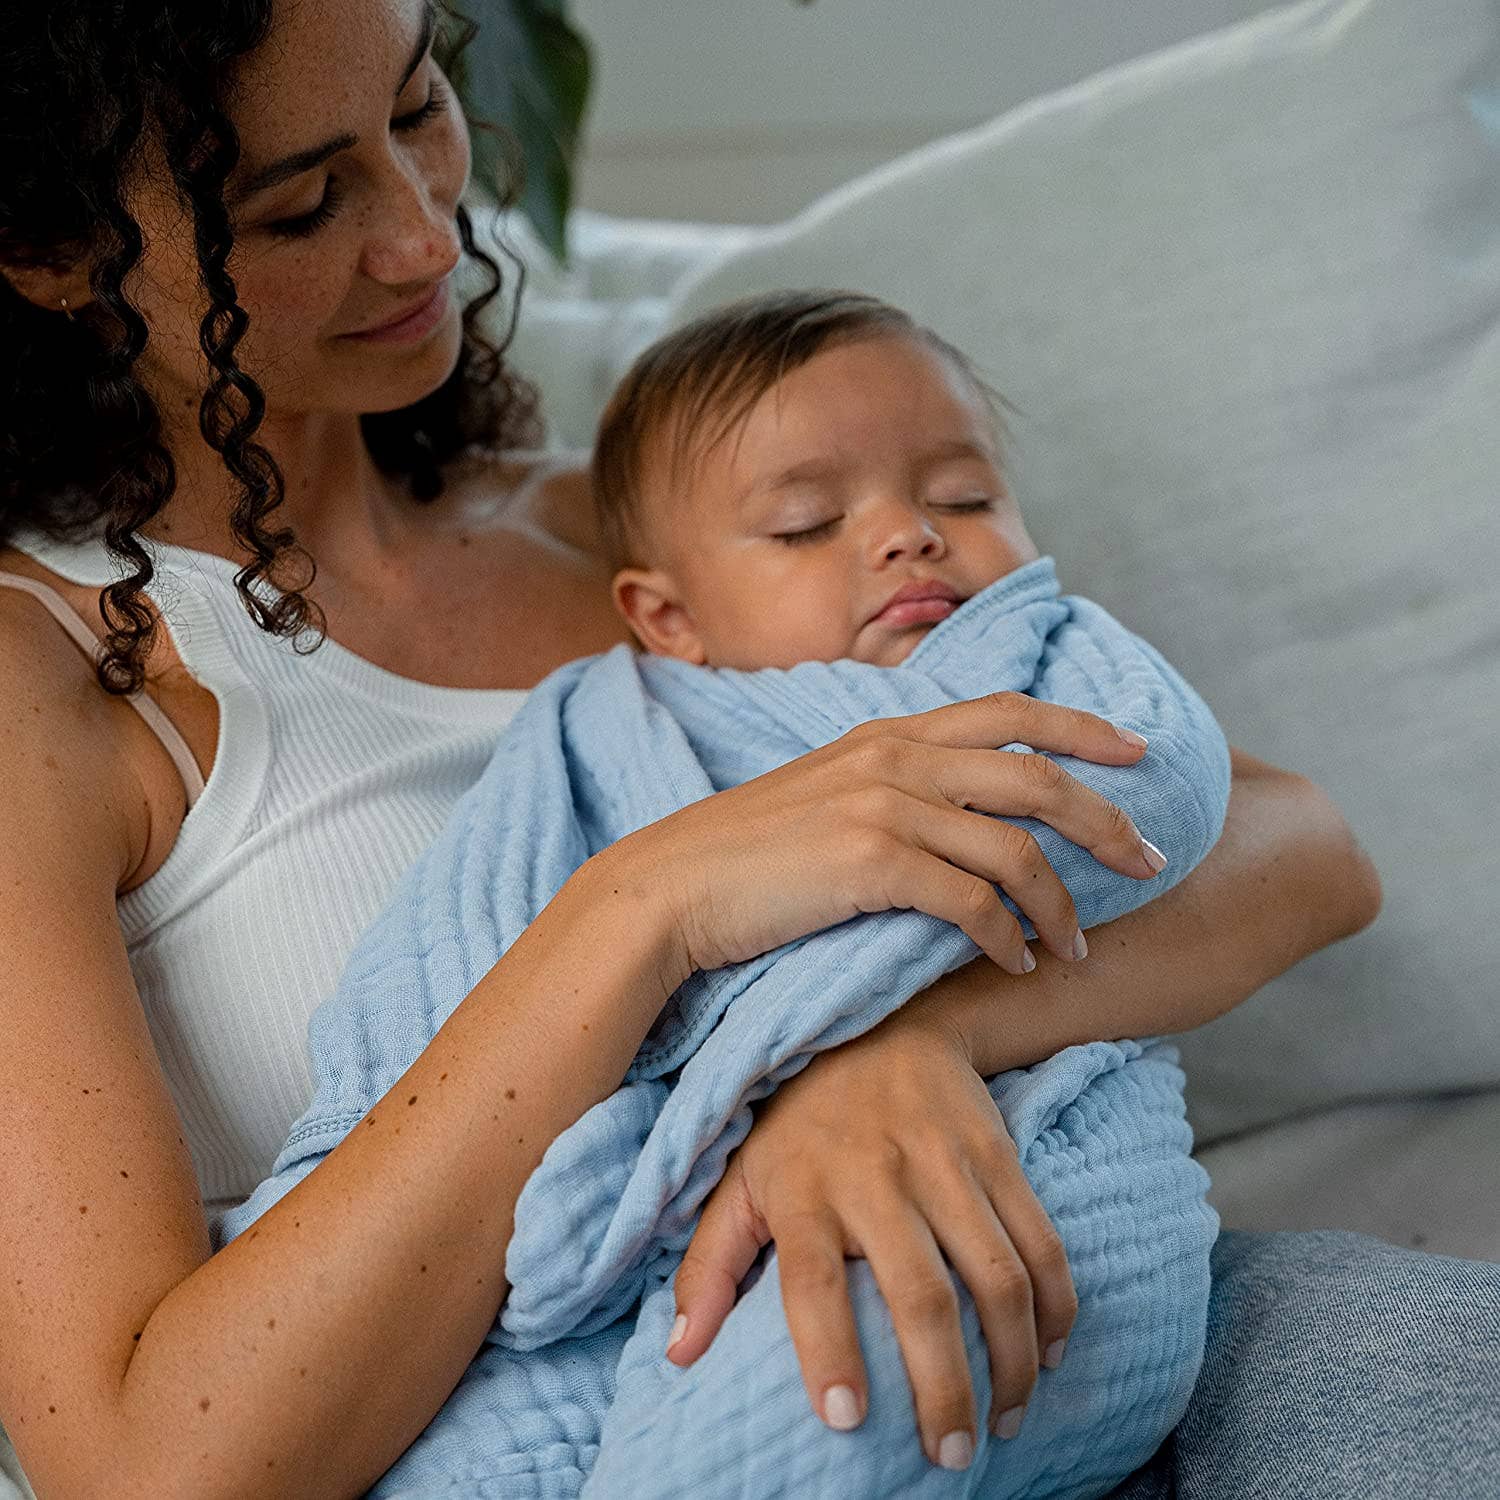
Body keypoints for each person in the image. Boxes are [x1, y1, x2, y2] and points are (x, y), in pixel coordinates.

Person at [0, 2, 1484, 1498]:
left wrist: (885, 1040)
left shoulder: (665, 531)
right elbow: (143, 1463)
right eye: (304, 203)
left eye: (421, 108)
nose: (423, 237)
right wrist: (645, 907)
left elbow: (1291, 848)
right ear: (52, 255)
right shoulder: (45, 683)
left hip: (1035, 1298)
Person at [226, 285, 1232, 1494]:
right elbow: (461, 952)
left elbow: (1160, 789)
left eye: (964, 497)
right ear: (668, 616)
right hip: (623, 1207)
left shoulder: (1044, 652)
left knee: (839, 1391)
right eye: (808, 524)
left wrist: (821, 1043)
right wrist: (338, 1166)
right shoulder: (593, 728)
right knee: (466, 1451)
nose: (910, 533)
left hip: (1010, 1128)